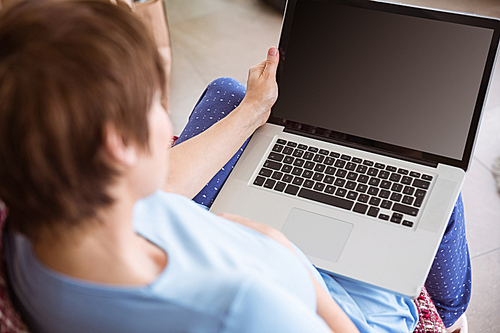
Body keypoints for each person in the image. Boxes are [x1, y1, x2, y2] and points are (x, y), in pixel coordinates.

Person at [0, 0, 470, 332]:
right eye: (153, 104)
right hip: (342, 309)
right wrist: (290, 258)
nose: (166, 121)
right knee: (439, 191)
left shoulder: (32, 225)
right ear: (116, 146)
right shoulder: (242, 309)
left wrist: (251, 110)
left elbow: (158, 193)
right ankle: (447, 319)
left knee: (229, 93)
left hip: (251, 246)